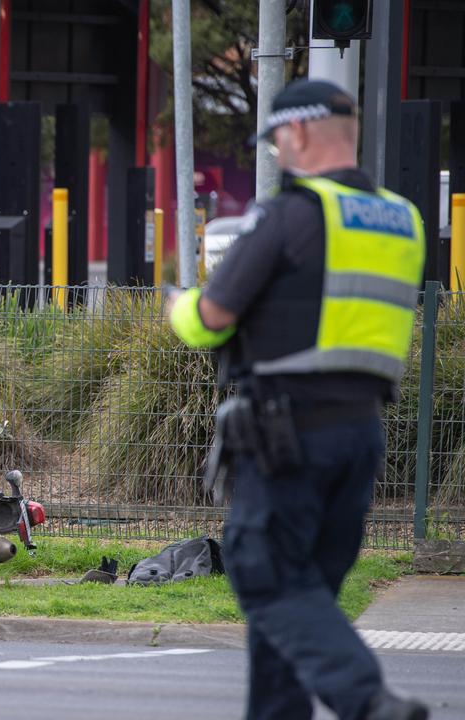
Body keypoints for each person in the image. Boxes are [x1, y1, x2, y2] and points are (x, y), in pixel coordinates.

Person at [166, 79, 429, 720]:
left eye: (278, 140)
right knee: (296, 602)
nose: (278, 154)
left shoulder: (292, 213)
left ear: (300, 132)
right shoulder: (404, 219)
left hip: (286, 434)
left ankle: (367, 700)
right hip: (360, 434)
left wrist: (179, 309)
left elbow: (213, 316)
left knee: (264, 572)